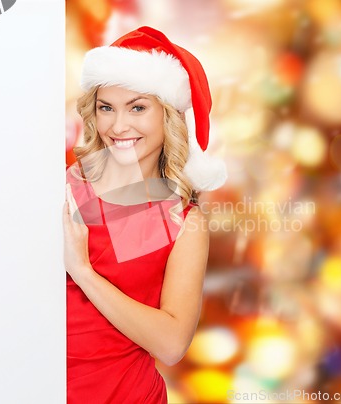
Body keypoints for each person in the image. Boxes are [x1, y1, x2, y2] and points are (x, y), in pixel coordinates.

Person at [63, 26, 227, 404]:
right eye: (107, 107)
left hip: (126, 395)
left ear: (167, 115)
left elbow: (171, 344)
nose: (118, 127)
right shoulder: (66, 185)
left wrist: (83, 272)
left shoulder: (181, 219)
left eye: (137, 107)